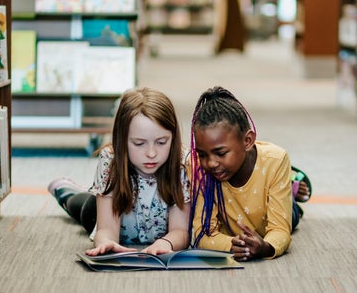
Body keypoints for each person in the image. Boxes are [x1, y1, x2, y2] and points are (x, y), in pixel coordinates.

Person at [48, 87, 191, 256]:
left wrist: (166, 243)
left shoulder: (182, 163)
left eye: (161, 142)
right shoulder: (110, 159)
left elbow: (181, 231)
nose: (151, 153)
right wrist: (106, 242)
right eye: (139, 143)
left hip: (155, 232)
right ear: (122, 140)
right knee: (76, 205)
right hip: (99, 212)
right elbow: (106, 229)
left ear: (173, 138)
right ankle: (65, 190)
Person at [188, 86, 311, 262]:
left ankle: (288, 192)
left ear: (247, 141)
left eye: (221, 153)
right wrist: (237, 245)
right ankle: (285, 188)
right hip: (240, 229)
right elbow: (203, 234)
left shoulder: (276, 159)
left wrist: (266, 248)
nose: (210, 163)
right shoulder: (199, 168)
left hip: (267, 211)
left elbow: (280, 230)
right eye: (202, 154)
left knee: (291, 217)